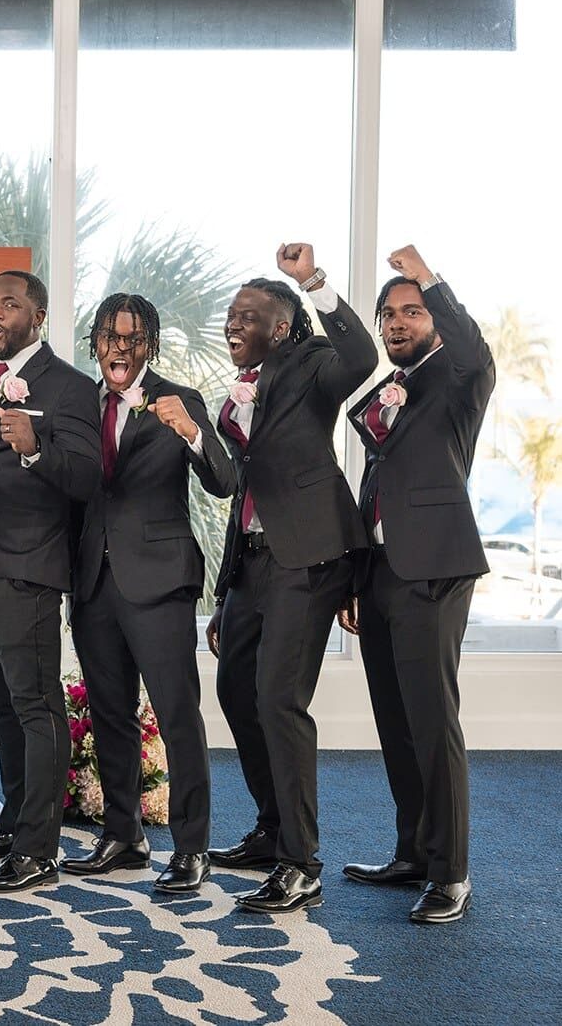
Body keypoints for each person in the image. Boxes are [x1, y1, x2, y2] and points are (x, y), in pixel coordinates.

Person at [207, 243, 377, 913]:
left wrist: (311, 281)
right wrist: (225, 595)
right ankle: (272, 825)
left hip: (307, 557)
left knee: (279, 697)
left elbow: (362, 360)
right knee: (234, 688)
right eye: (230, 313)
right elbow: (246, 488)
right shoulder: (240, 388)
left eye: (247, 314)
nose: (233, 322)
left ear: (280, 326)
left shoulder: (308, 363)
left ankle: (301, 862)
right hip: (252, 562)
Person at [338, 245, 494, 924]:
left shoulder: (460, 379)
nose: (398, 321)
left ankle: (452, 872)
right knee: (396, 721)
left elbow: (474, 348)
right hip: (379, 572)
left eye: (413, 310)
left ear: (433, 319)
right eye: (389, 313)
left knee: (434, 722)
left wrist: (430, 276)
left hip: (435, 567)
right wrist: (354, 573)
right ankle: (414, 853)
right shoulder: (386, 393)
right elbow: (376, 484)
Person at [65, 292, 234, 895]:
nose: (119, 347)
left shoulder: (180, 400)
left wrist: (191, 431)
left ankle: (192, 847)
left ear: (150, 345)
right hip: (92, 582)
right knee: (110, 713)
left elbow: (225, 480)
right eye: (109, 336)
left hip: (160, 581)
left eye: (132, 338)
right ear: (96, 344)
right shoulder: (80, 404)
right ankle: (123, 834)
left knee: (176, 715)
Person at [0, 270, 103, 894]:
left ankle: (39, 851)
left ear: (36, 317)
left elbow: (90, 478)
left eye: (10, 304)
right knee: (3, 707)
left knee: (38, 709)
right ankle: (13, 822)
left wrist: (38, 447)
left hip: (30, 569)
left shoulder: (68, 386)